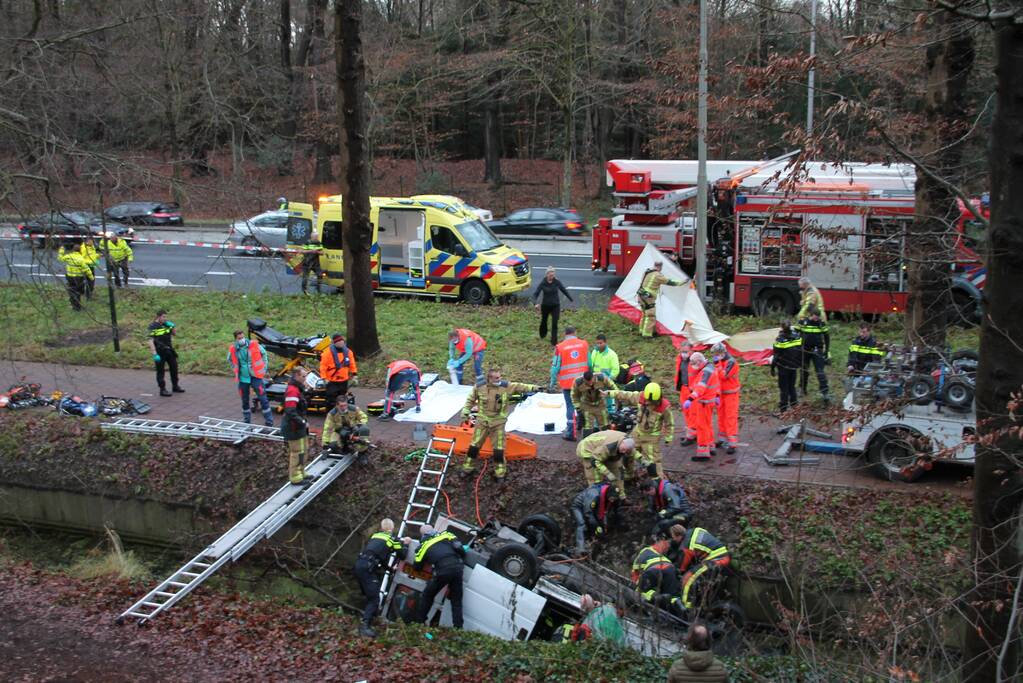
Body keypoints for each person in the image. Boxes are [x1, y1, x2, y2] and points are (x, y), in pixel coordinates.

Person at [460, 368, 544, 480]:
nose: (499, 379)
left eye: (500, 377)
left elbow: (519, 386)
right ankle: (467, 468)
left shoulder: (505, 387)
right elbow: (470, 399)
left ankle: (500, 473)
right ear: (489, 378)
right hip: (482, 423)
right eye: (496, 378)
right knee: (474, 446)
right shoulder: (479, 387)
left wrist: (534, 387)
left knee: (499, 449)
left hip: (498, 424)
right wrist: (466, 410)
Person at [354, 518, 409, 637]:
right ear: (392, 528)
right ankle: (364, 627)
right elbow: (403, 555)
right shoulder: (392, 539)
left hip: (359, 565)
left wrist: (389, 569)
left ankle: (370, 619)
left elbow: (380, 558)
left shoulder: (375, 536)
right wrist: (404, 544)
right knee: (374, 599)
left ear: (382, 527)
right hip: (368, 569)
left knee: (370, 596)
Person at [608, 382, 674, 478]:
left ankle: (658, 482)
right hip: (637, 433)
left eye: (652, 402)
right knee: (627, 453)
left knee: (653, 461)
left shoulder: (664, 407)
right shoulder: (640, 397)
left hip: (652, 438)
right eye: (647, 400)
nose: (648, 403)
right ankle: (629, 474)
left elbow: (670, 423)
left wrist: (668, 438)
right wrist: (609, 393)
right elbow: (625, 395)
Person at [413, 524, 466, 629]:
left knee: (427, 595)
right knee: (456, 600)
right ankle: (458, 628)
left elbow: (417, 567)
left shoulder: (423, 546)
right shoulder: (447, 534)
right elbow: (460, 549)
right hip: (457, 568)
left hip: (442, 571)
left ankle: (419, 624)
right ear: (433, 530)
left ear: (423, 535)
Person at [672, 524, 731, 611]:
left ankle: (686, 608)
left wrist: (678, 571)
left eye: (673, 537)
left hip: (716, 559)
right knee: (696, 574)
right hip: (723, 554)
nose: (673, 539)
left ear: (678, 536)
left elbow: (682, 567)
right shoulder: (696, 529)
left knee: (687, 578)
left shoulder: (686, 546)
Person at [227, 330, 274, 426]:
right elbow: (230, 359)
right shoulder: (233, 349)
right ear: (236, 339)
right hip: (243, 378)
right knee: (244, 401)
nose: (242, 340)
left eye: (242, 337)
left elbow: (264, 354)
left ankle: (269, 422)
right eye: (239, 338)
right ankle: (246, 421)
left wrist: (264, 368)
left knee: (263, 399)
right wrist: (235, 369)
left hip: (255, 376)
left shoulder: (254, 345)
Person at [551, 326, 589, 440]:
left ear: (565, 334)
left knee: (570, 406)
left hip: (568, 383)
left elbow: (555, 367)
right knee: (583, 403)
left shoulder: (560, 347)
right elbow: (590, 362)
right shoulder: (584, 344)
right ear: (575, 332)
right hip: (583, 381)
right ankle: (585, 427)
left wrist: (552, 382)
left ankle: (570, 433)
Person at [631, 537, 684, 615]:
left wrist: (635, 585)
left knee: (640, 591)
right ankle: (681, 610)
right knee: (673, 595)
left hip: (654, 569)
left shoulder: (641, 555)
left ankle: (656, 597)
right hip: (670, 568)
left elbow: (635, 577)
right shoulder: (659, 555)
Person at [576, 430, 636, 496]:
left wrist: (643, 460)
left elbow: (633, 453)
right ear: (621, 444)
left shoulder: (627, 441)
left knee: (618, 472)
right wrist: (608, 473)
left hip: (606, 452)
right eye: (623, 450)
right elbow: (595, 461)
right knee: (596, 477)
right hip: (588, 450)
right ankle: (596, 498)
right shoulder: (610, 445)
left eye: (626, 451)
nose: (623, 452)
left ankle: (621, 496)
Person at [682, 353, 718, 461]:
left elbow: (700, 388)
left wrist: (690, 399)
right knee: (708, 425)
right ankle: (711, 446)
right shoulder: (711, 368)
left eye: (693, 363)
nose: (693, 366)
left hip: (703, 403)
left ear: (698, 361)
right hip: (709, 401)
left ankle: (703, 453)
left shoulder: (705, 372)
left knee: (702, 426)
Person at [570, 482, 622, 556]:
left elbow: (605, 512)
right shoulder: (594, 495)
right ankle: (580, 548)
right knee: (582, 524)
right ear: (608, 494)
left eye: (614, 499)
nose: (612, 501)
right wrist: (597, 527)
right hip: (578, 507)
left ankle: (592, 545)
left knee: (598, 526)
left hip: (591, 508)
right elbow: (588, 514)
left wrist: (602, 527)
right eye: (611, 498)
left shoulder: (609, 496)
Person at [637, 260, 685, 337]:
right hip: (648, 297)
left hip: (640, 295)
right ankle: (647, 335)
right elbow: (670, 282)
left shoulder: (647, 271)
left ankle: (641, 331)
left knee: (645, 314)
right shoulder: (657, 275)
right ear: (660, 266)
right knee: (650, 315)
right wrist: (682, 282)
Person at [795, 305, 830, 402]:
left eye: (818, 317)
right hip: (805, 350)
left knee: (820, 371)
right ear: (811, 315)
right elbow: (795, 334)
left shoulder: (821, 324)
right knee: (804, 370)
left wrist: (826, 351)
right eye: (816, 316)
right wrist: (797, 348)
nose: (817, 319)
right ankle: (802, 389)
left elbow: (827, 337)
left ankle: (824, 392)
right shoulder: (803, 322)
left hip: (817, 350)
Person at [711, 342, 740, 455]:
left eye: (717, 354)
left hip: (731, 394)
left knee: (730, 417)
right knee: (721, 416)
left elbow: (723, 376)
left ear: (722, 352)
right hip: (721, 394)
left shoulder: (731, 362)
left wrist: (717, 365)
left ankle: (732, 443)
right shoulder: (721, 361)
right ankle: (722, 439)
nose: (716, 356)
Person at [282, 366, 310, 484]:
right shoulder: (292, 390)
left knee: (304, 449)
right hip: (293, 427)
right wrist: (302, 422)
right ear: (297, 376)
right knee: (297, 452)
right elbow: (290, 411)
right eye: (303, 376)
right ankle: (295, 477)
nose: (305, 379)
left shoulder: (298, 389)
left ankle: (302, 472)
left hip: (299, 426)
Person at [322, 394, 370, 461]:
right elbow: (327, 429)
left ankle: (362, 453)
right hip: (339, 431)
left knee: (363, 434)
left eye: (345, 405)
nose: (344, 408)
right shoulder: (332, 414)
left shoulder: (354, 409)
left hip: (353, 430)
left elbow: (364, 417)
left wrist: (358, 426)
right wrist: (325, 445)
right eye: (341, 406)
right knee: (333, 444)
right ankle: (343, 450)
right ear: (337, 405)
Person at [148, 309, 184, 397]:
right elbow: (150, 340)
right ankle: (162, 389)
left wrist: (172, 326)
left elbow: (174, 334)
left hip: (169, 350)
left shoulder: (166, 325)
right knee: (160, 371)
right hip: (159, 351)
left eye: (166, 317)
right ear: (158, 317)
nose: (165, 318)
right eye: (163, 317)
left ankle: (175, 386)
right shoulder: (153, 326)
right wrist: (154, 353)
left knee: (174, 368)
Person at [533, 266, 573, 344]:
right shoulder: (543, 283)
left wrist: (571, 299)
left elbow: (563, 290)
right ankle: (543, 335)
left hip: (555, 306)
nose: (552, 276)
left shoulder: (557, 281)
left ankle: (554, 342)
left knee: (555, 323)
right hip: (545, 306)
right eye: (550, 275)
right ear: (547, 274)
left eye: (553, 275)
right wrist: (535, 303)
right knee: (544, 321)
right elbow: (535, 294)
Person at [570, 370, 617, 437]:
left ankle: (607, 439)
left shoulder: (602, 378)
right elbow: (574, 395)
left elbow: (613, 387)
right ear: (584, 379)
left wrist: (615, 395)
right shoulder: (578, 382)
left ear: (593, 377)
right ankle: (586, 442)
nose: (590, 384)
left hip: (600, 404)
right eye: (587, 382)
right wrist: (578, 408)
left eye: (591, 381)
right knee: (587, 426)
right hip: (586, 405)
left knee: (605, 423)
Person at [771, 321, 802, 413]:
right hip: (793, 366)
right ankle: (795, 407)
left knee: (784, 388)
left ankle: (783, 410)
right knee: (792, 387)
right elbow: (800, 350)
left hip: (783, 367)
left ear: (782, 328)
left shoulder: (781, 339)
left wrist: (772, 368)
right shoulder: (797, 336)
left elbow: (776, 355)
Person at [320, 333, 357, 406]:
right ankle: (332, 414)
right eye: (338, 341)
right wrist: (324, 378)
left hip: (344, 380)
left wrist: (354, 375)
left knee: (342, 398)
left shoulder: (348, 352)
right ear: (335, 343)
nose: (341, 342)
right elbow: (323, 366)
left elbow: (352, 364)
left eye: (342, 341)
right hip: (331, 381)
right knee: (331, 399)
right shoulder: (327, 353)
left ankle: (341, 413)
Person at [674, 342, 697, 446]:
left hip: (692, 390)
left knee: (693, 413)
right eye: (682, 351)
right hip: (684, 388)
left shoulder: (696, 360)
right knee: (686, 412)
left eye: (686, 351)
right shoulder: (680, 359)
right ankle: (691, 433)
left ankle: (692, 435)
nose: (683, 354)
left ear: (692, 350)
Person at [57, 241, 90, 311]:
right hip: (79, 278)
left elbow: (60, 258)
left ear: (73, 250)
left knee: (72, 291)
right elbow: (86, 269)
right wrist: (91, 277)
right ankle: (77, 306)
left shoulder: (69, 256)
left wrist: (61, 250)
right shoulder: (81, 258)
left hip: (70, 277)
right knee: (78, 292)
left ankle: (74, 306)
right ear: (80, 250)